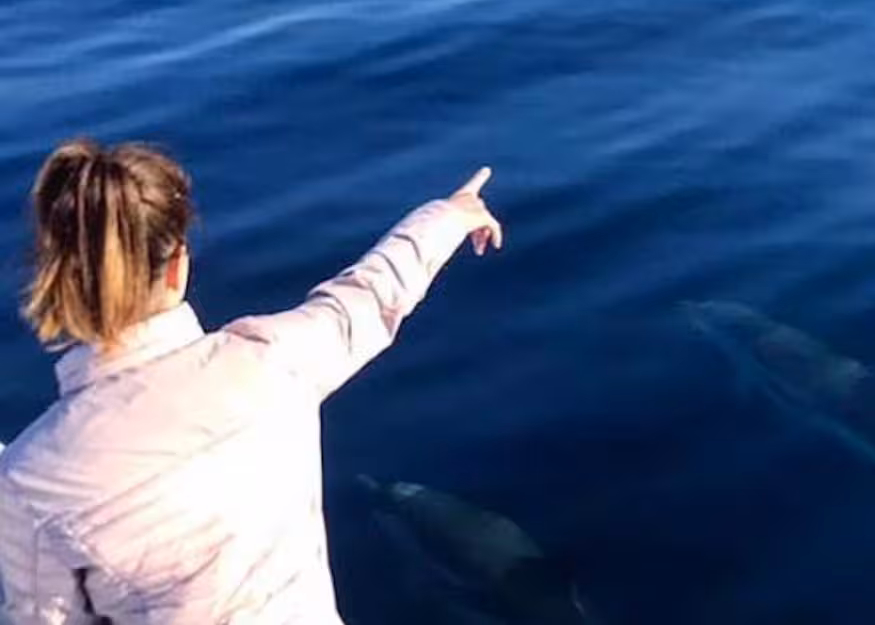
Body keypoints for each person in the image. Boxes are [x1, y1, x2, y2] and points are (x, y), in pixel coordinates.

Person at [0, 139, 504, 623]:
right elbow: (371, 294)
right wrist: (450, 214)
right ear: (178, 266)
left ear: (59, 278)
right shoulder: (275, 360)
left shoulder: (27, 483)